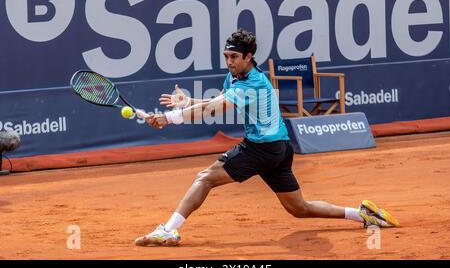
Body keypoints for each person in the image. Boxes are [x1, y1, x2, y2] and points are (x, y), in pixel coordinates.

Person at [135, 28, 399, 246]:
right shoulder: (237, 76)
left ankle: (169, 229)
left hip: (262, 149)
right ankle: (363, 215)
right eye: (226, 56)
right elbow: (214, 102)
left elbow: (213, 109)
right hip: (280, 148)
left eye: (234, 57)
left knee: (204, 178)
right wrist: (187, 101)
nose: (229, 61)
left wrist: (168, 118)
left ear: (248, 57)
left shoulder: (252, 83)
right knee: (299, 208)